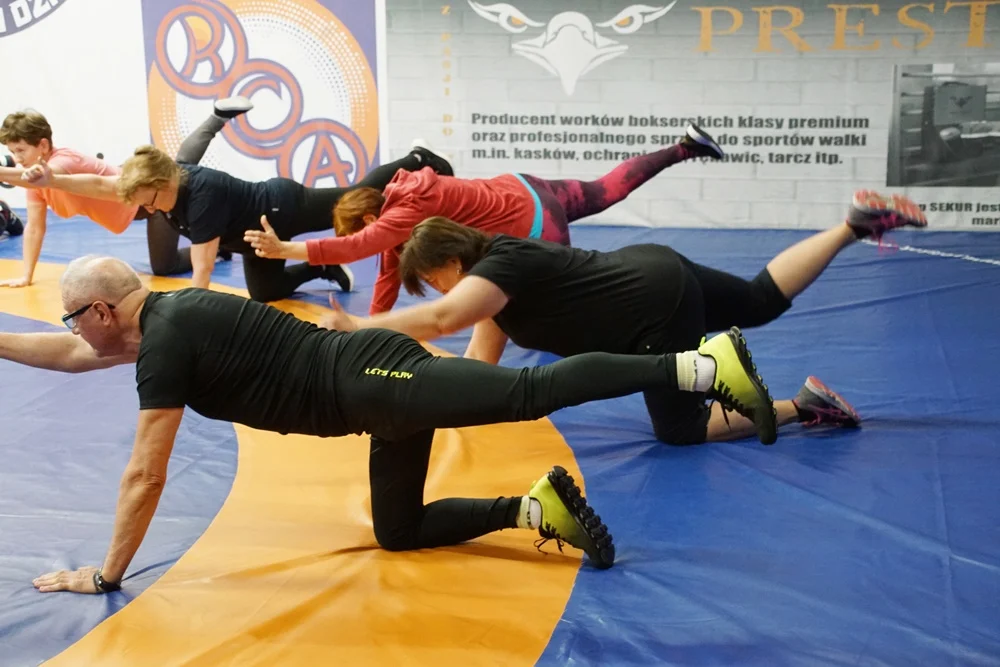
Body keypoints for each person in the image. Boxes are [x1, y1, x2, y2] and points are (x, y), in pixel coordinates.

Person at [1, 255, 775, 592]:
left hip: (375, 381)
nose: (73, 331)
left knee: (526, 390)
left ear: (101, 309)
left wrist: (106, 572)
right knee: (398, 528)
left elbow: (146, 471)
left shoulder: (164, 344)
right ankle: (534, 509)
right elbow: (72, 355)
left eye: (73, 317)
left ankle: (695, 367)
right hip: (368, 392)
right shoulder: (166, 316)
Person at [317, 189, 929, 446]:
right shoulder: (500, 284)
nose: (435, 290)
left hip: (651, 309)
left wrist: (361, 329)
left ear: (451, 263)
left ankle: (804, 404)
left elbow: (442, 319)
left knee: (681, 431)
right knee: (757, 300)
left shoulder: (498, 269)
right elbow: (479, 367)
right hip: (653, 270)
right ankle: (851, 227)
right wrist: (412, 399)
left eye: (432, 280)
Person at [244, 124, 725, 314]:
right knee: (604, 190)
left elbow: (355, 248)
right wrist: (371, 332)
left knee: (559, 295)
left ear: (371, 215)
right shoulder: (399, 204)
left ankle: (640, 303)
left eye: (365, 229)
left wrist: (287, 249)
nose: (369, 239)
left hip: (535, 226)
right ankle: (684, 147)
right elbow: (387, 274)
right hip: (525, 188)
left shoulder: (404, 212)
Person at [23, 142, 455, 302]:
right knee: (265, 292)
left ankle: (416, 158)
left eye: (147, 202)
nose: (146, 210)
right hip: (253, 236)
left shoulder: (201, 198)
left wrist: (187, 320)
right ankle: (322, 268)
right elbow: (102, 186)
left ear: (160, 185)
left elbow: (202, 273)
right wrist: (53, 179)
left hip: (282, 207)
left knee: (355, 198)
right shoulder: (159, 182)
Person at [0, 98, 251, 284]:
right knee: (181, 166)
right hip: (134, 190)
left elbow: (50, 177)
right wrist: (26, 275)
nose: (17, 158)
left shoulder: (61, 162)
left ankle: (220, 247)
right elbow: (35, 227)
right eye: (12, 152)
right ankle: (216, 118)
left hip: (150, 202)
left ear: (43, 145)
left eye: (20, 150)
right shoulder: (35, 178)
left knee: (165, 265)